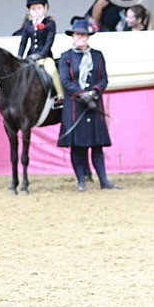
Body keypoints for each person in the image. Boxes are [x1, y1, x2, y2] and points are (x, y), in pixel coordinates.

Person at [58, 17, 118, 191]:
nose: (80, 38)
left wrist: (93, 93)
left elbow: (103, 79)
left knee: (97, 145)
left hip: (94, 105)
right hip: (75, 107)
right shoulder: (66, 57)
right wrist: (82, 95)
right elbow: (65, 81)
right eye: (77, 35)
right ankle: (81, 181)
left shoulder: (97, 56)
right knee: (77, 147)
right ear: (73, 36)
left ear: (88, 36)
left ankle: (103, 181)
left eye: (83, 35)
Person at [13, 0, 64, 100]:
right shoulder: (28, 25)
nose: (36, 11)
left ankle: (60, 94)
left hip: (45, 56)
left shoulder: (50, 23)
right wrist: (19, 56)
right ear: (29, 10)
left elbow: (49, 42)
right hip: (30, 56)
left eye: (39, 8)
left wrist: (40, 55)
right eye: (33, 9)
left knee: (52, 70)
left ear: (45, 8)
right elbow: (23, 42)